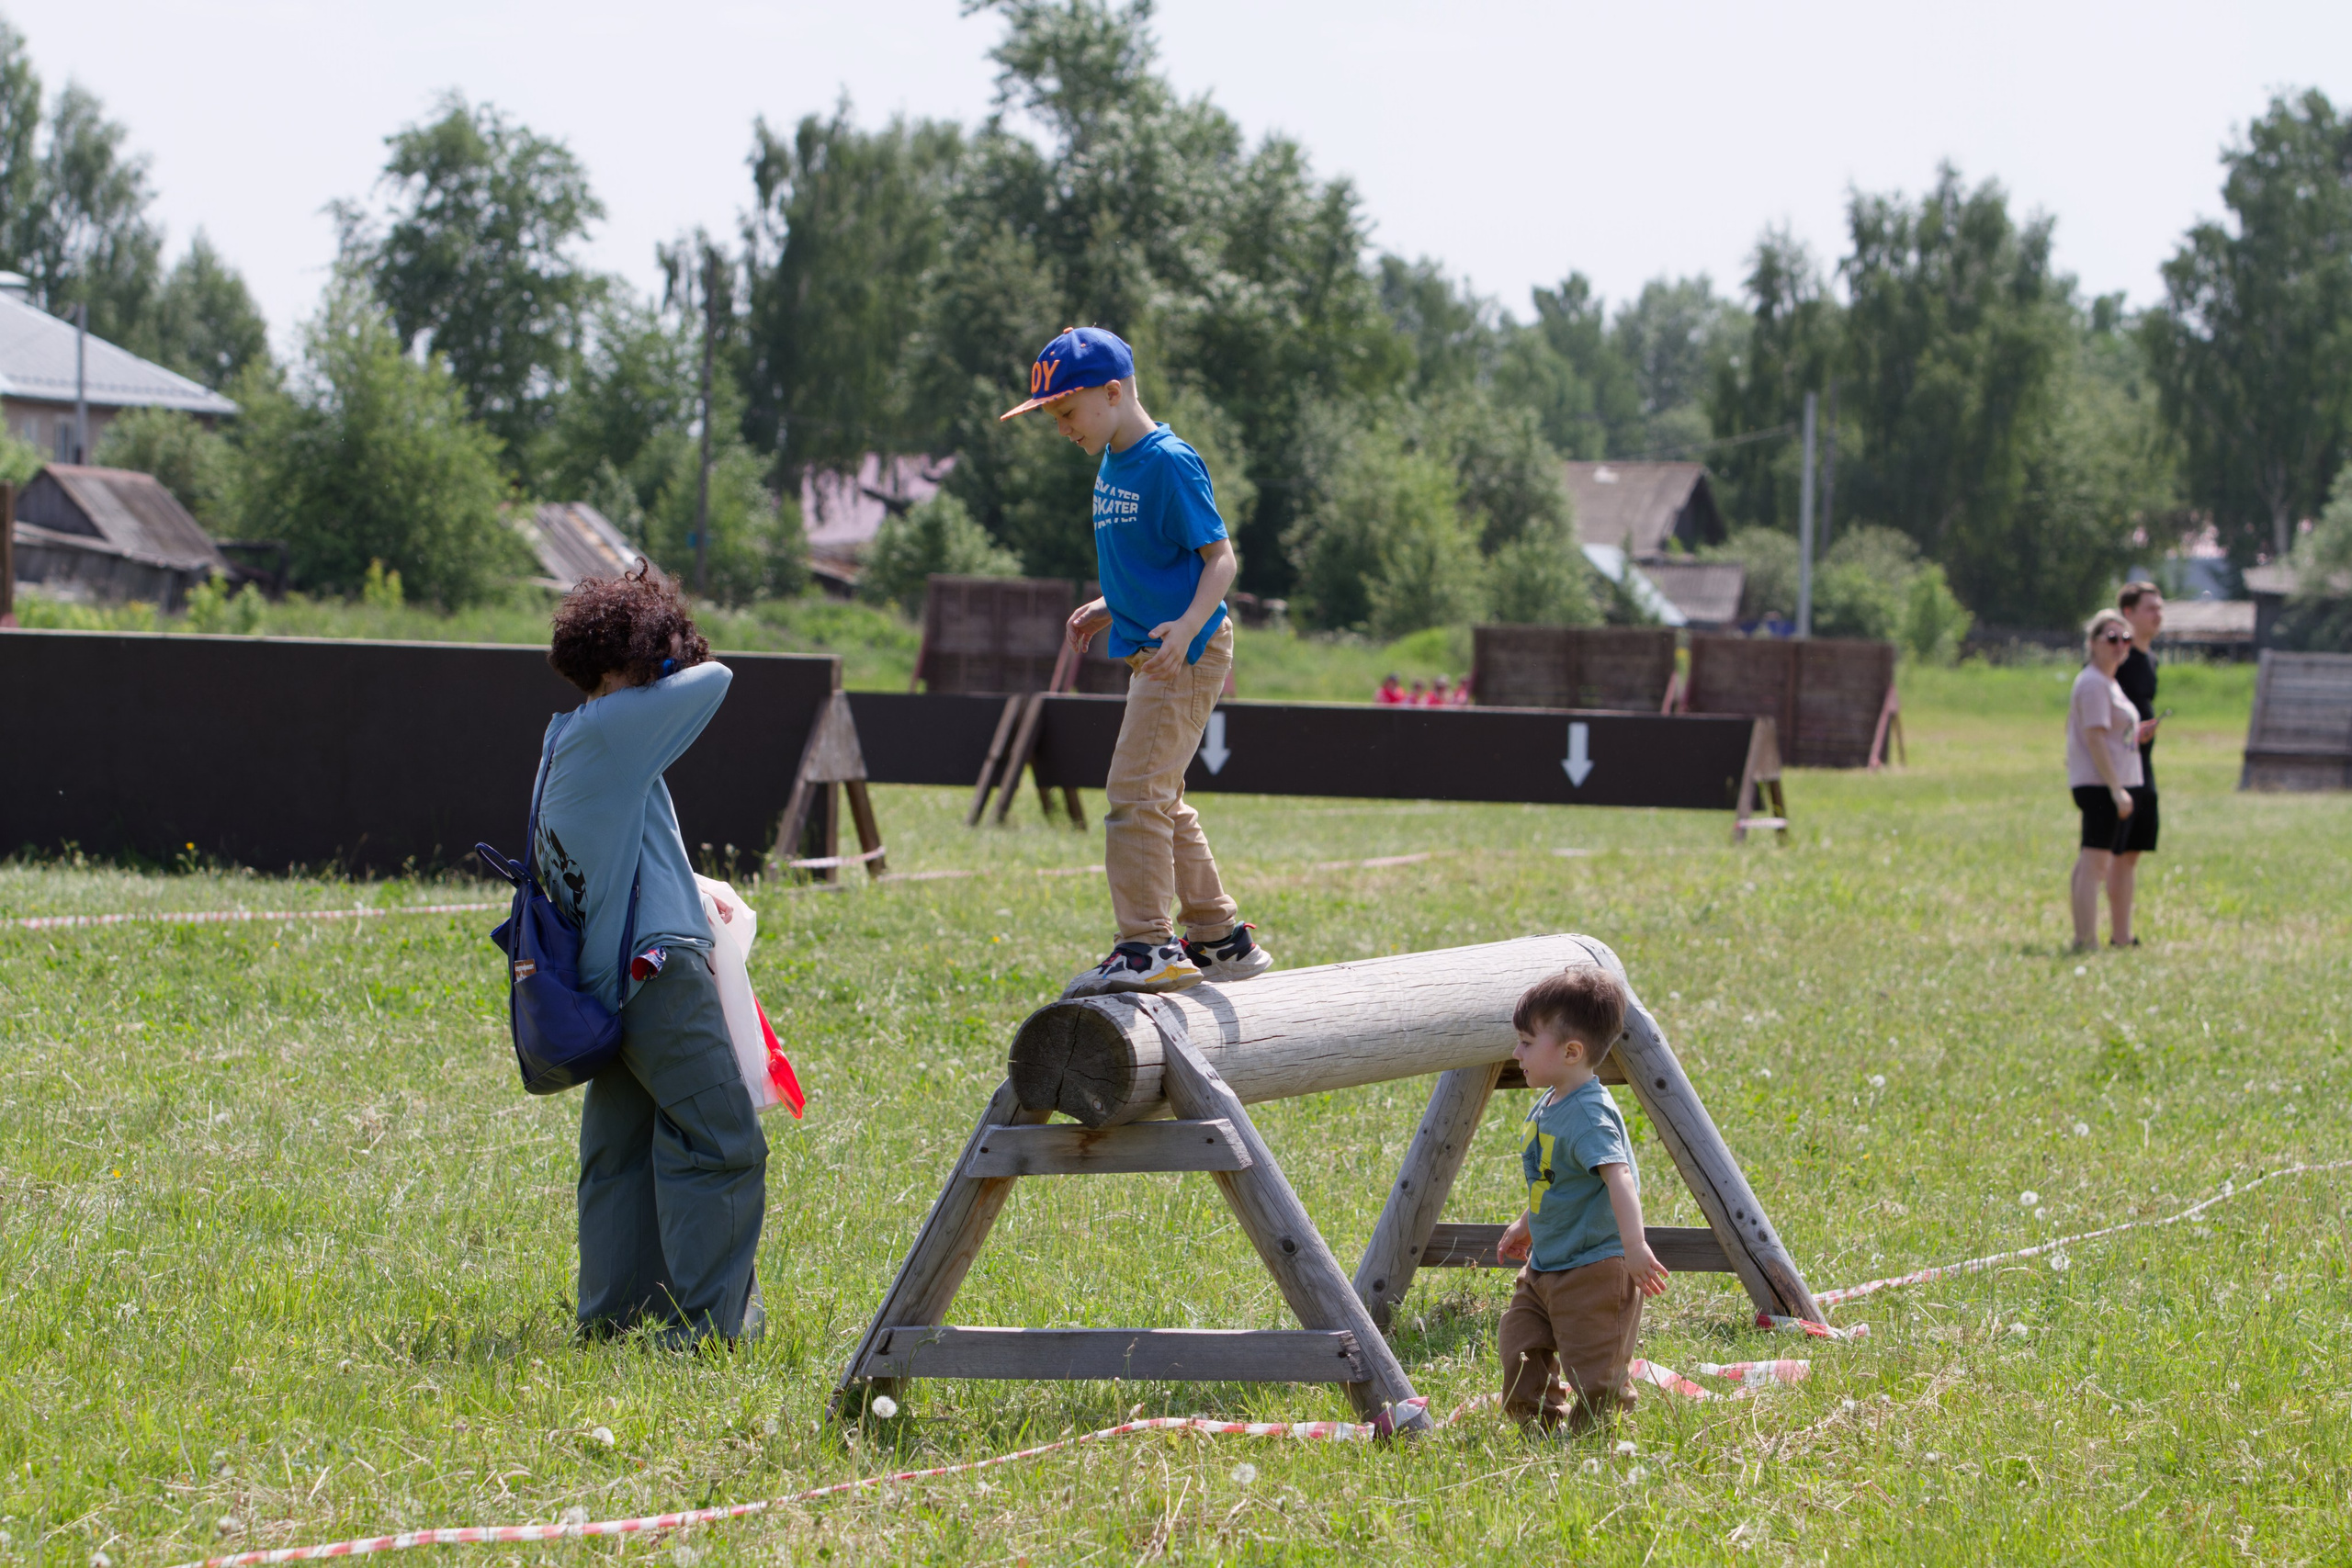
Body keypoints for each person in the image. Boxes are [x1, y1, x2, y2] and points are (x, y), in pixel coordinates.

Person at [1000, 326, 1272, 995]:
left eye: (1066, 410)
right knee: (1160, 797)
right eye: (1053, 416)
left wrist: (1184, 629)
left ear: (1114, 392)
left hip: (1185, 651)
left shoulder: (1168, 461)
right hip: (1156, 646)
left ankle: (1147, 943)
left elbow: (1220, 559)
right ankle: (1218, 938)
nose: (1062, 426)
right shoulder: (1113, 462)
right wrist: (1108, 604)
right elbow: (1153, 561)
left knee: (1132, 795)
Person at [539, 567, 767, 1347]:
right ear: (623, 663)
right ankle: (706, 1334)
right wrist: (669, 657)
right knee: (722, 1144)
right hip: (658, 977)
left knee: (620, 1158)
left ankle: (611, 1320)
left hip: (608, 983)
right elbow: (717, 678)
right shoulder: (612, 731)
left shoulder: (568, 737)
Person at [1495, 968, 1669, 1434]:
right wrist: (1527, 1221)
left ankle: (1596, 1441)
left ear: (1572, 1052)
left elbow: (1620, 1180)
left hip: (1594, 1269)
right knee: (1519, 1346)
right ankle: (1537, 1429)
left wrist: (1633, 1247)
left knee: (1596, 1375)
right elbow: (1556, 1179)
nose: (1516, 1053)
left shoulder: (1591, 1115)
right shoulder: (1552, 1100)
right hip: (1547, 1266)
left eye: (1527, 1042)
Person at [2066, 607, 2149, 953]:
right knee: (2095, 864)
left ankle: (2085, 937)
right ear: (2092, 643)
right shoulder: (2093, 683)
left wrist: (2135, 733)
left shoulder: (2108, 682)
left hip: (2110, 783)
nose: (2120, 646)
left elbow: (2111, 733)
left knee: (2091, 861)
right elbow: (2095, 738)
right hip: (2101, 785)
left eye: (2125, 639)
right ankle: (2086, 940)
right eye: (2112, 638)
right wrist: (2116, 789)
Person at [2113, 581, 2166, 900]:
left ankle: (2122, 932)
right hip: (2118, 766)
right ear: (2128, 613)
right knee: (2111, 852)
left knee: (2134, 850)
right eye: (2150, 608)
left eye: (2160, 608)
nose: (2157, 615)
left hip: (2143, 765)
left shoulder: (2150, 659)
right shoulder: (2118, 657)